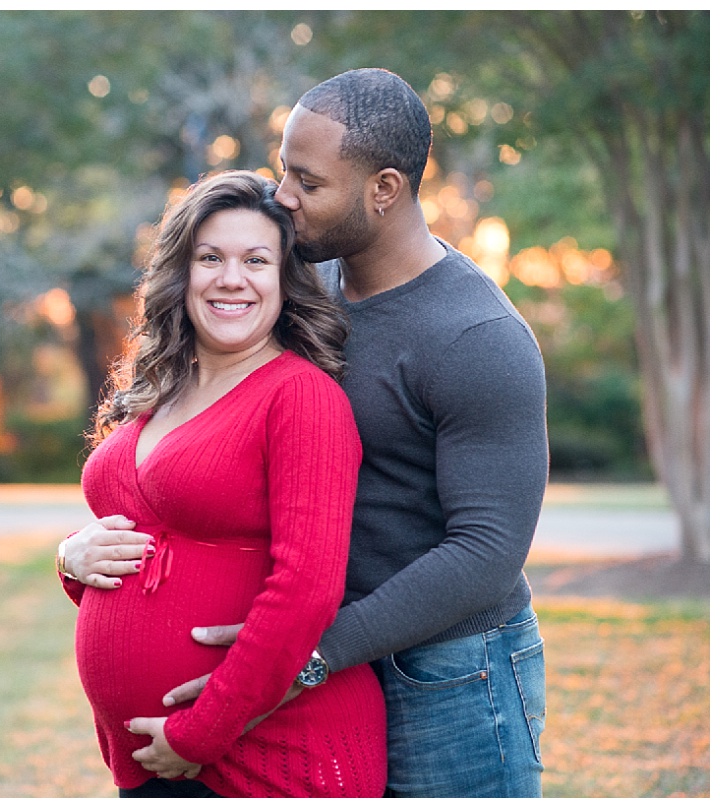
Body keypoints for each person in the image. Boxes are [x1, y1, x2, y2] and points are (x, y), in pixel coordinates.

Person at [59, 68, 549, 798]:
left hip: (450, 666)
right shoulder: (308, 287)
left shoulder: (476, 338)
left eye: (307, 182)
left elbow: (485, 553)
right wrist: (80, 553)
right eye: (285, 168)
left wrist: (313, 656)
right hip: (324, 654)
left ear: (383, 189)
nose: (282, 195)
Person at [58, 169, 387, 798]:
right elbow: (151, 550)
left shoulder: (301, 397)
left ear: (285, 283)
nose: (230, 278)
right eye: (210, 257)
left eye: (255, 260)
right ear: (182, 274)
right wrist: (72, 559)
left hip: (269, 753)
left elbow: (308, 588)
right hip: (164, 756)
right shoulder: (160, 389)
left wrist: (202, 732)